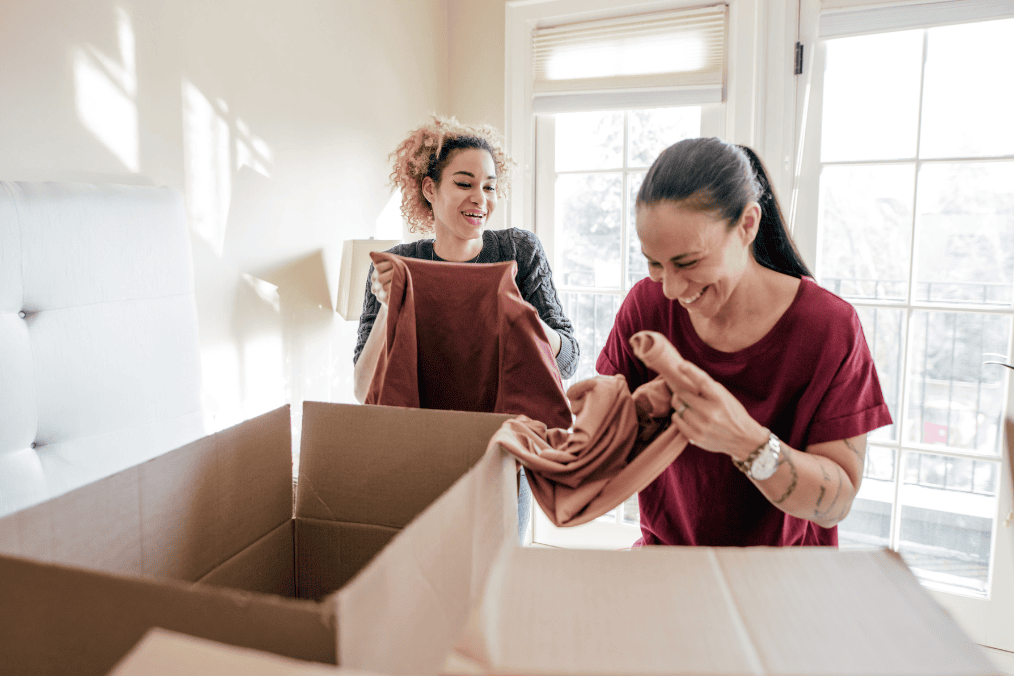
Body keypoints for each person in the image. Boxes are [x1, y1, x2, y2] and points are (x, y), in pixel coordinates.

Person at [596, 137, 892, 548]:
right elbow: (603, 461)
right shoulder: (644, 308)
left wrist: (744, 440)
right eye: (654, 263)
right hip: (666, 567)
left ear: (748, 225)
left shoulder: (829, 328)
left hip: (782, 582)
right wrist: (633, 420)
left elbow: (836, 500)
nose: (671, 288)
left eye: (688, 262)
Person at [353, 115, 580, 541]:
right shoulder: (397, 264)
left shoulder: (518, 250)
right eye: (464, 182)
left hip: (501, 455)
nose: (481, 197)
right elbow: (363, 387)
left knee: (495, 578)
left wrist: (521, 315)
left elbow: (568, 360)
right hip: (420, 455)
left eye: (490, 186)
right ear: (428, 189)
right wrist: (390, 305)